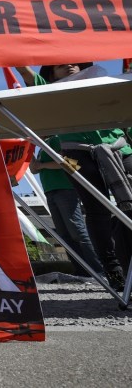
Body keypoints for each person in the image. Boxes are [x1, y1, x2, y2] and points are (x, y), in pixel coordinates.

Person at [16, 63, 131, 290]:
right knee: (88, 218)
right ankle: (112, 270)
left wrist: (45, 165)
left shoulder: (104, 86)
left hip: (119, 150)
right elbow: (24, 70)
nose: (69, 65)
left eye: (75, 63)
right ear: (51, 75)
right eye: (60, 65)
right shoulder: (52, 92)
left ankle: (120, 264)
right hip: (74, 162)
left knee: (118, 213)